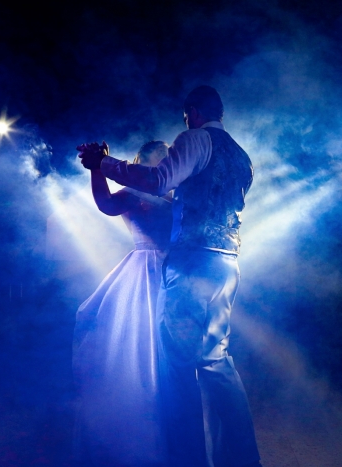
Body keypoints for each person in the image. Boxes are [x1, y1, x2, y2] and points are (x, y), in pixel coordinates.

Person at [78, 85, 261, 467]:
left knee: (176, 368)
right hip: (227, 262)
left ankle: (186, 459)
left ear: (191, 112)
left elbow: (158, 181)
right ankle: (240, 459)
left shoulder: (195, 139)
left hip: (192, 263)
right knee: (217, 363)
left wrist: (103, 164)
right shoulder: (243, 158)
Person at [72, 141, 172, 467]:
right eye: (156, 159)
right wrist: (97, 168)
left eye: (165, 158)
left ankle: (169, 426)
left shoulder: (176, 192)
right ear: (143, 163)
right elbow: (103, 203)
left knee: (168, 350)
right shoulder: (133, 195)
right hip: (143, 271)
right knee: (134, 346)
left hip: (176, 270)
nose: (161, 163)